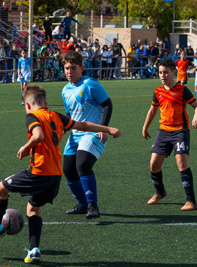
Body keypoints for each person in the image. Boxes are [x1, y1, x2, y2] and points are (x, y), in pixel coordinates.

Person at [0, 85, 121, 264]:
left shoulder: (32, 116)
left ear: (27, 105)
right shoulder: (56, 116)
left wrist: (25, 147)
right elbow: (82, 125)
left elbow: (37, 135)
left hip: (39, 172)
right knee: (33, 208)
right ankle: (34, 249)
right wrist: (108, 129)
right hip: (55, 176)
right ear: (45, 103)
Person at [61, 51, 116, 219]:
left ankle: (93, 205)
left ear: (82, 68)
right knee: (68, 169)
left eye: (73, 68)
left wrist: (102, 128)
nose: (70, 72)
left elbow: (107, 104)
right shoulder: (65, 90)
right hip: (75, 134)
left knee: (83, 165)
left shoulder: (90, 84)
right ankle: (82, 204)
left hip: (92, 133)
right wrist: (62, 131)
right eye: (67, 68)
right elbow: (69, 116)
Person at [142, 59, 197, 211]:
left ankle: (191, 201)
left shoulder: (182, 89)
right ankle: (160, 192)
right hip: (163, 130)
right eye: (160, 72)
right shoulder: (158, 91)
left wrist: (196, 116)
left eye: (166, 72)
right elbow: (152, 110)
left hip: (180, 130)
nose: (162, 75)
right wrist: (145, 127)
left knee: (182, 163)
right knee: (154, 164)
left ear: (173, 73)